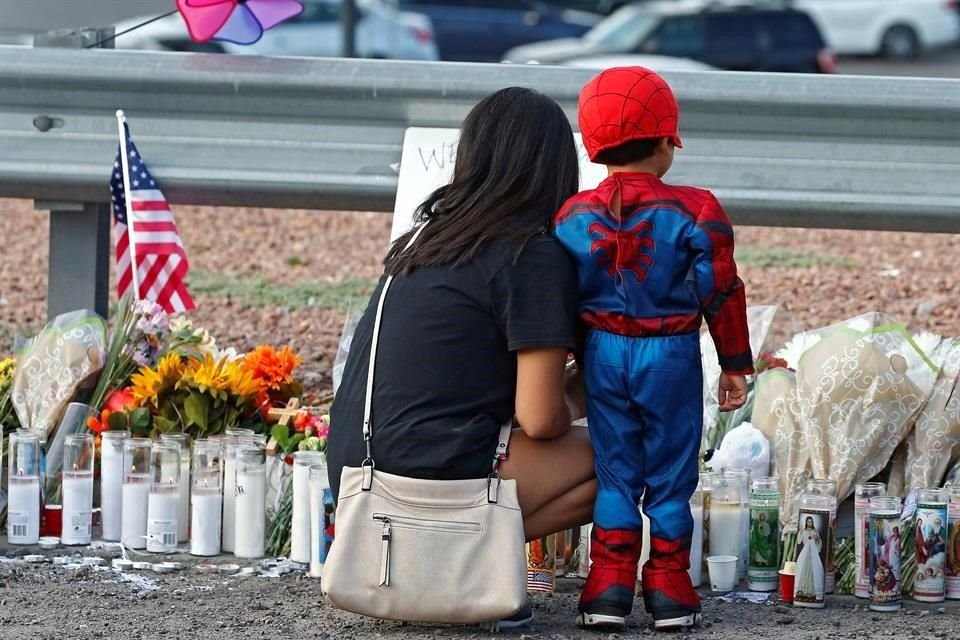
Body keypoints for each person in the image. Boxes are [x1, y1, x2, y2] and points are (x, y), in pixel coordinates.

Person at [327, 87, 596, 631]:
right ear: (556, 168)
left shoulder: (423, 239)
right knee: (631, 461)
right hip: (427, 472)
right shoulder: (531, 253)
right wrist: (585, 388)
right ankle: (463, 571)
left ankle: (439, 567)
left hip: (356, 470)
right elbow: (540, 418)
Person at [553, 67, 753, 631]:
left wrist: (572, 353)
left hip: (601, 355)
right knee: (671, 475)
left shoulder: (570, 217)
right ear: (667, 142)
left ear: (594, 146)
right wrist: (735, 364)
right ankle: (669, 588)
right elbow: (721, 290)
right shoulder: (697, 210)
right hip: (670, 354)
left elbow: (558, 296)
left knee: (615, 473)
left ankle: (607, 588)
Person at [795, 516, 825, 602]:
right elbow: (799, 541)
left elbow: (819, 544)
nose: (809, 523)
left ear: (813, 523)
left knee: (812, 571)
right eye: (808, 522)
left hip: (813, 554)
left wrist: (817, 539)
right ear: (806, 522)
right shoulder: (804, 531)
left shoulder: (815, 531)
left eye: (811, 522)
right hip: (805, 553)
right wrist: (800, 531)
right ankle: (802, 590)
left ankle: (811, 591)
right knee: (803, 570)